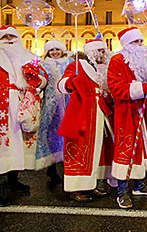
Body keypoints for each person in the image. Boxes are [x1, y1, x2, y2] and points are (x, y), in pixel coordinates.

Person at [107, 27, 147, 209]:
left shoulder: (145, 61)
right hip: (126, 112)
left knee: (143, 148)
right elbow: (116, 87)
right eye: (135, 42)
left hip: (144, 111)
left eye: (140, 41)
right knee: (126, 149)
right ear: (126, 45)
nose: (139, 45)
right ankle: (122, 191)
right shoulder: (117, 60)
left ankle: (139, 185)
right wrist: (142, 88)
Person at [57, 38, 115, 202]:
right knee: (80, 149)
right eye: (100, 51)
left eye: (104, 51)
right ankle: (77, 188)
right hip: (82, 112)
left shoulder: (103, 70)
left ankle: (92, 184)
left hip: (100, 112)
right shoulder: (76, 66)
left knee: (97, 150)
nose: (103, 54)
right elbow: (61, 85)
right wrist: (71, 82)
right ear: (91, 52)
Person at [0, 25, 48, 206]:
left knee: (19, 144)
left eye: (12, 36)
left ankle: (13, 178)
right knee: (4, 146)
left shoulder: (29, 58)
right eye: (5, 37)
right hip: (2, 105)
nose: (9, 40)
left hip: (23, 105)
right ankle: (2, 184)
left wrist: (37, 79)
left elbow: (43, 79)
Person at [35, 39, 73, 184]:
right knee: (50, 136)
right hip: (51, 106)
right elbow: (40, 83)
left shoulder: (69, 63)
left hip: (67, 103)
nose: (55, 52)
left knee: (67, 137)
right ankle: (51, 170)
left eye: (57, 49)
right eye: (52, 50)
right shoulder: (42, 65)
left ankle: (68, 169)